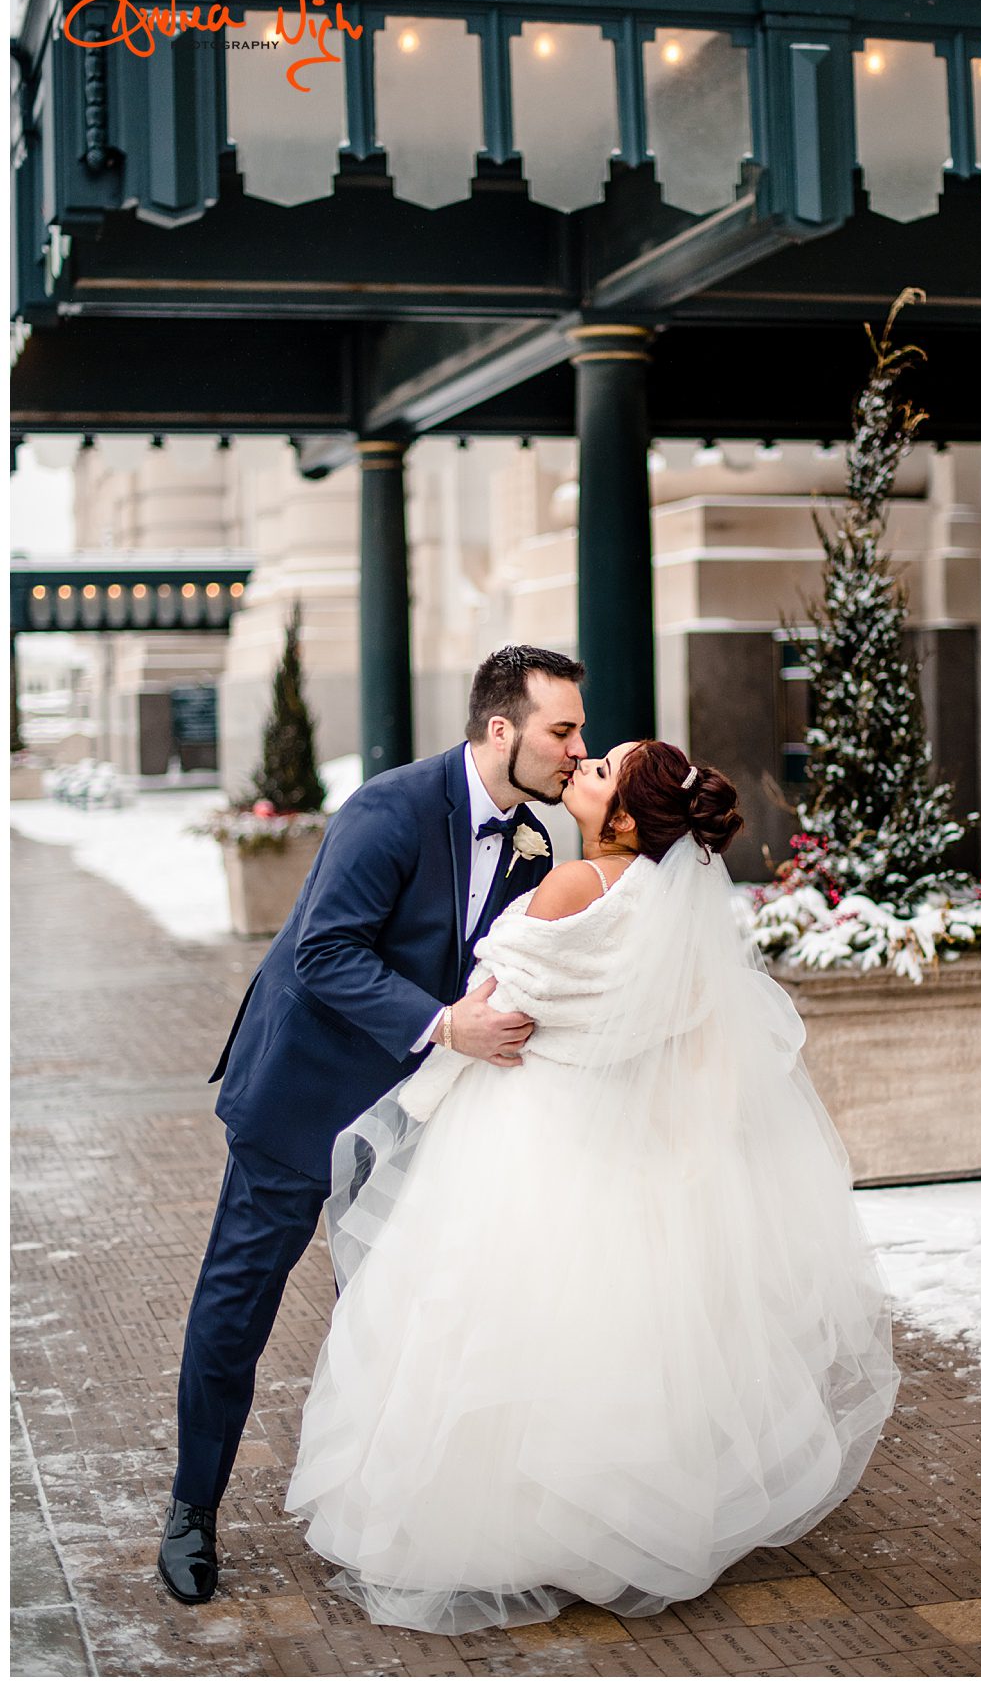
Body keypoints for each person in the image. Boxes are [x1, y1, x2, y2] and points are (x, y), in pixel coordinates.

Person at [282, 739, 896, 1633]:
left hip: (530, 1121)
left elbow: (502, 989)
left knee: (493, 1316)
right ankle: (608, 1525)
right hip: (617, 1134)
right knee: (617, 1326)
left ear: (621, 820)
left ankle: (503, 1532)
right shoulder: (670, 908)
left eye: (602, 769)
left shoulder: (576, 885)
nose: (583, 768)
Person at [161, 646, 587, 1605]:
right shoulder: (389, 809)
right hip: (301, 1093)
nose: (575, 748)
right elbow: (323, 952)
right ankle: (192, 1507)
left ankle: (368, 1507)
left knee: (388, 1312)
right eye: (562, 730)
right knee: (240, 1304)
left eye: (578, 731)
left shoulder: (536, 844)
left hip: (413, 1113)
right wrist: (445, 1023)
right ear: (500, 730)